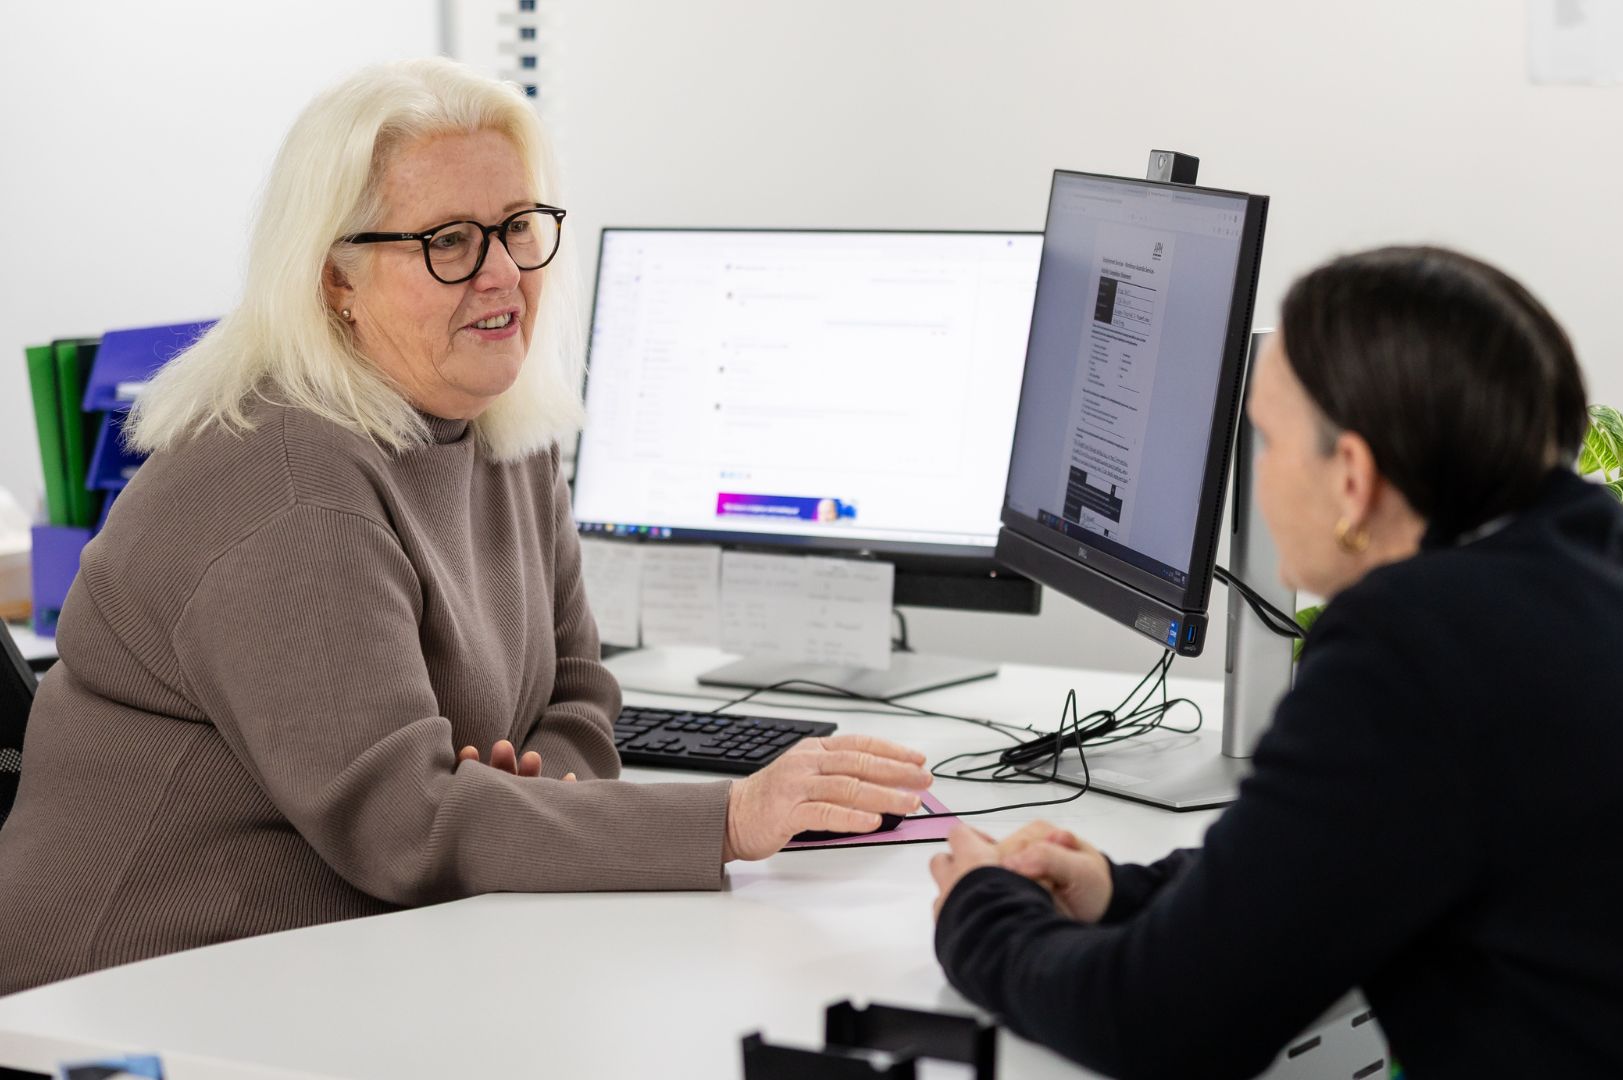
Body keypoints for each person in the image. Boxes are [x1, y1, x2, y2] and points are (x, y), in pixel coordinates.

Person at [0, 59, 928, 996]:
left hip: (348, 957)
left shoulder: (499, 424)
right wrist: (730, 818)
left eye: (518, 228)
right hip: (134, 991)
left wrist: (532, 788)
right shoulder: (289, 482)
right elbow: (405, 826)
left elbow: (576, 693)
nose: (502, 275)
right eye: (448, 240)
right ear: (335, 280)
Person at [928, 246, 1623, 1078]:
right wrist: (1126, 892)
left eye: (1266, 442)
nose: (1257, 477)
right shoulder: (1605, 559)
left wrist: (981, 911)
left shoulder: (1413, 647)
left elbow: (1157, 1023)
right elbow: (1362, 854)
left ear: (1351, 478)